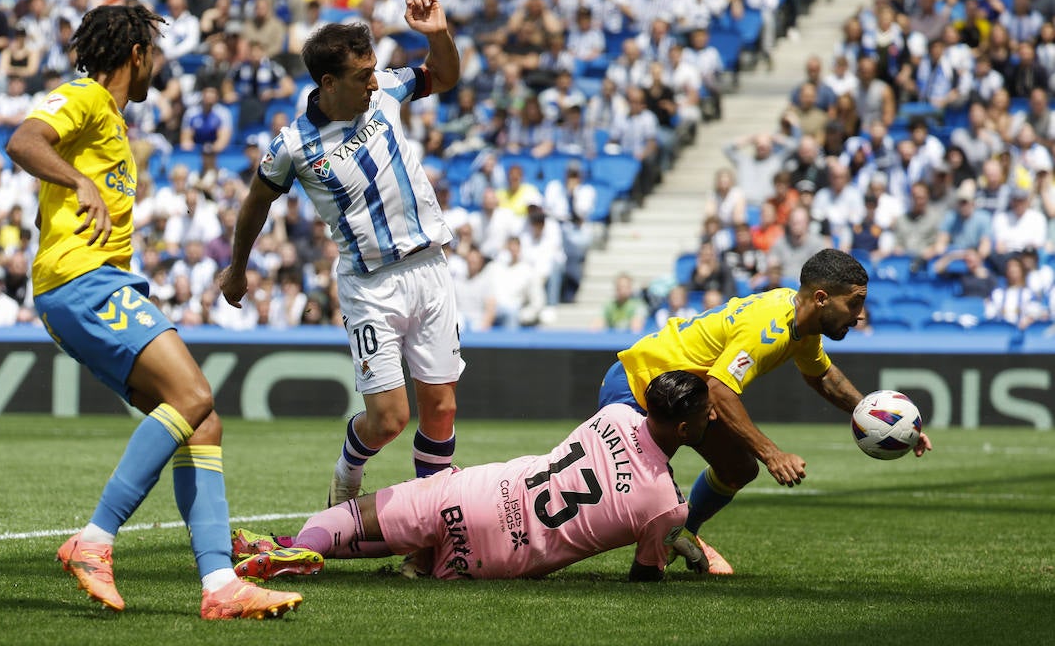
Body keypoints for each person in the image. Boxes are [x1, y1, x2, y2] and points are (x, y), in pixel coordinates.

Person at [4, 4, 303, 620]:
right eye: (155, 55)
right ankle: (94, 541)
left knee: (203, 423)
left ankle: (220, 587)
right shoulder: (84, 96)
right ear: (137, 54)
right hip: (84, 282)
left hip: (95, 283)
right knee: (193, 394)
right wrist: (79, 185)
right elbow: (24, 140)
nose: (158, 68)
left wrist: (70, 195)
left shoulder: (110, 121)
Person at [218, 0, 463, 508]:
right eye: (361, 75)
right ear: (328, 83)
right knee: (390, 419)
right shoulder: (294, 145)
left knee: (440, 409)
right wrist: (237, 270)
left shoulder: (388, 92)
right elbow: (255, 203)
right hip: (370, 286)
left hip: (430, 267)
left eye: (373, 71)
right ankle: (347, 471)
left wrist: (438, 35)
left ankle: (428, 527)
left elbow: (445, 76)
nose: (374, 82)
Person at [596, 249, 932, 574]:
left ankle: (681, 534)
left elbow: (823, 376)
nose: (860, 315)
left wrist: (886, 420)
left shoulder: (801, 324)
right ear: (820, 299)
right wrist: (772, 454)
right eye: (854, 302)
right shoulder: (770, 327)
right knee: (633, 495)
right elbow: (721, 390)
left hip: (686, 397)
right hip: (637, 386)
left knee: (738, 468)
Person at [230, 371, 716, 583]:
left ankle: (299, 545)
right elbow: (644, 575)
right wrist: (678, 545)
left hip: (482, 493)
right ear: (682, 427)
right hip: (497, 556)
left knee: (353, 518)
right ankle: (287, 546)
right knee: (402, 544)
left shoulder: (612, 416)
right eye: (708, 414)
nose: (713, 420)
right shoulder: (666, 506)